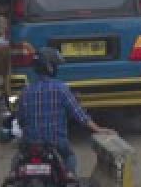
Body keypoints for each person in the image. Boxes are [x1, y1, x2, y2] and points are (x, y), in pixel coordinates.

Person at [16, 48, 110, 177]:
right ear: (50, 67)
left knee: (17, 162)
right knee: (70, 158)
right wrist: (98, 129)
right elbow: (80, 116)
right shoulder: (61, 88)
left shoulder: (25, 92)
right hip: (56, 144)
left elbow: (21, 120)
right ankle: (69, 177)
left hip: (31, 145)